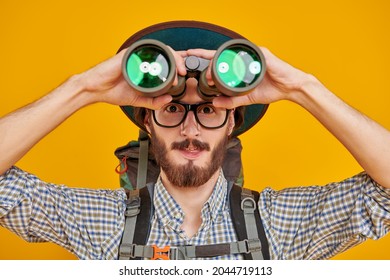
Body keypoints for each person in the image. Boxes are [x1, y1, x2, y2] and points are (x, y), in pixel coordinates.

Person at [0, 21, 389, 260]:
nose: (190, 131)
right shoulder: (101, 222)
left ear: (231, 122)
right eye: (171, 109)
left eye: (207, 110)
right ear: (147, 123)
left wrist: (303, 88)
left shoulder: (282, 223)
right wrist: (82, 88)